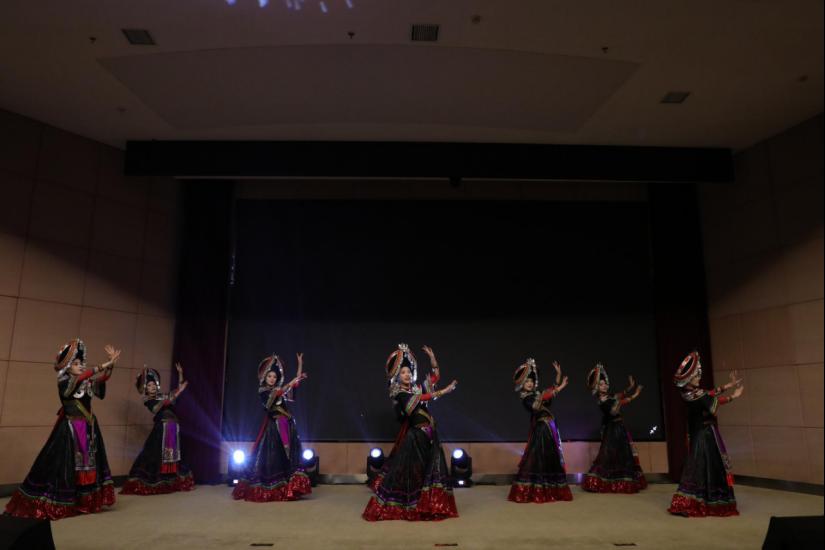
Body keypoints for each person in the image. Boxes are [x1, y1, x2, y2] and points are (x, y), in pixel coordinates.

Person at [4, 338, 120, 520]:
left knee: (88, 463)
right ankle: (66, 500)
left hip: (89, 428)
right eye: (76, 363)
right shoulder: (65, 383)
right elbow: (83, 377)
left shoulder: (85, 382)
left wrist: (111, 365)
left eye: (81, 363)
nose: (80, 366)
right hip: (71, 429)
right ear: (67, 367)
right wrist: (103, 365)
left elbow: (103, 379)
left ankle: (85, 501)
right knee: (67, 466)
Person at [363, 344, 459, 521]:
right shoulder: (399, 394)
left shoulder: (415, 389)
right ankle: (411, 505)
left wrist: (432, 359)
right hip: (416, 438)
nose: (407, 375)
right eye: (403, 372)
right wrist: (443, 391)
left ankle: (428, 505)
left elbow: (435, 377)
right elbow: (420, 399)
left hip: (430, 435)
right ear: (397, 376)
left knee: (429, 471)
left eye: (408, 372)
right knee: (414, 473)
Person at [668, 351, 743, 517]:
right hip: (706, 436)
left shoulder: (688, 393)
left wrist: (728, 385)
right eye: (695, 376)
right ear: (688, 380)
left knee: (698, 467)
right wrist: (734, 396)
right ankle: (711, 501)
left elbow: (708, 394)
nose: (698, 378)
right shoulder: (697, 395)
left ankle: (694, 499)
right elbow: (713, 404)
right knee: (710, 466)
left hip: (698, 435)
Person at [232, 353, 310, 502]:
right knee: (274, 456)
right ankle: (273, 487)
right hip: (274, 427)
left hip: (287, 424)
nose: (272, 379)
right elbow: (274, 398)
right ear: (264, 377)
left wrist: (299, 366)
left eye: (274, 377)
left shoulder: (279, 391)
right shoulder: (263, 391)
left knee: (288, 456)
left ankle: (289, 487)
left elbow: (292, 388)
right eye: (269, 376)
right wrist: (289, 383)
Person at [121, 363, 194, 495]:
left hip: (173, 429)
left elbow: (177, 391)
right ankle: (153, 482)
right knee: (154, 455)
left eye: (154, 384)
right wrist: (178, 392)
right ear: (145, 388)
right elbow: (159, 406)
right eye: (149, 385)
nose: (153, 386)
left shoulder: (163, 396)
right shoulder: (148, 399)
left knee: (176, 455)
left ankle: (172, 481)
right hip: (162, 430)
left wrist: (180, 374)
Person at [508, 358, 572, 503]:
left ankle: (551, 489)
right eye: (527, 381)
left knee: (550, 457)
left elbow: (548, 394)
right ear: (522, 384)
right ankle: (536, 489)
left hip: (549, 428)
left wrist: (558, 376)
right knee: (539, 458)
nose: (530, 383)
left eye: (531, 381)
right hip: (541, 430)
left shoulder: (537, 394)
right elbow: (538, 404)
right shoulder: (526, 398)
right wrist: (560, 387)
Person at [581, 363, 647, 493]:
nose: (605, 385)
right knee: (609, 454)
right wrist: (635, 394)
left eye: (605, 383)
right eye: (601, 384)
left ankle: (621, 480)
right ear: (597, 387)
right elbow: (614, 410)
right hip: (612, 430)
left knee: (623, 454)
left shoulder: (609, 396)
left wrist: (630, 387)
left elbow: (620, 395)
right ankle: (602, 481)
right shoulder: (602, 401)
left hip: (619, 428)